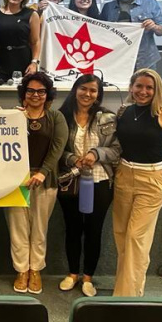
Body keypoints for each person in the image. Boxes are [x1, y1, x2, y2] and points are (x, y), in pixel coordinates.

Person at [113, 69, 162, 297]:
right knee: (122, 235)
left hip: (152, 181)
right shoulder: (124, 111)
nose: (143, 92)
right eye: (139, 86)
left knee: (136, 238)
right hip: (124, 176)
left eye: (149, 88)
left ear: (156, 90)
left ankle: (126, 299)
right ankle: (128, 288)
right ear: (131, 87)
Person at [57, 74, 119, 297]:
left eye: (93, 90)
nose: (87, 94)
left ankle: (88, 277)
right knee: (72, 229)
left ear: (98, 94)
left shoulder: (108, 118)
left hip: (100, 181)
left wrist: (96, 153)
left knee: (94, 230)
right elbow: (56, 150)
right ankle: (73, 273)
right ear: (75, 90)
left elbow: (117, 150)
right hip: (70, 180)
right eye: (84, 89)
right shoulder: (61, 116)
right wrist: (72, 159)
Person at [7, 72, 68, 294]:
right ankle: (21, 270)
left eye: (41, 91)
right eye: (31, 90)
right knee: (18, 228)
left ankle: (35, 270)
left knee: (39, 229)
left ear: (47, 94)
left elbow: (57, 149)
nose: (35, 95)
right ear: (24, 93)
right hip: (16, 183)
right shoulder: (13, 116)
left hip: (45, 181)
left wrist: (42, 172)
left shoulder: (56, 118)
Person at [100, 0, 162, 70]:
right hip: (117, 60)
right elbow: (101, 32)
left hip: (145, 60)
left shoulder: (150, 3)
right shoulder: (108, 7)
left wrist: (154, 27)